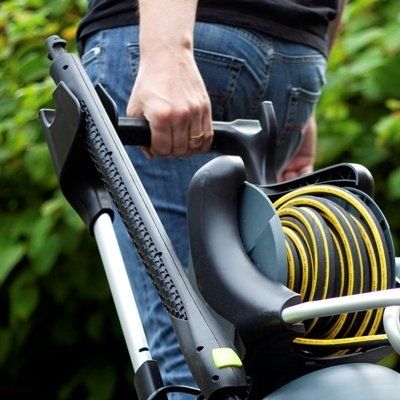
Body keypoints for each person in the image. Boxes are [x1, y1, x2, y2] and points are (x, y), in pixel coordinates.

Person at [77, 1, 346, 397]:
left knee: (191, 352)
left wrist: (168, 51)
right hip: (297, 57)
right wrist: (306, 110)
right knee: (274, 352)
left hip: (175, 33)